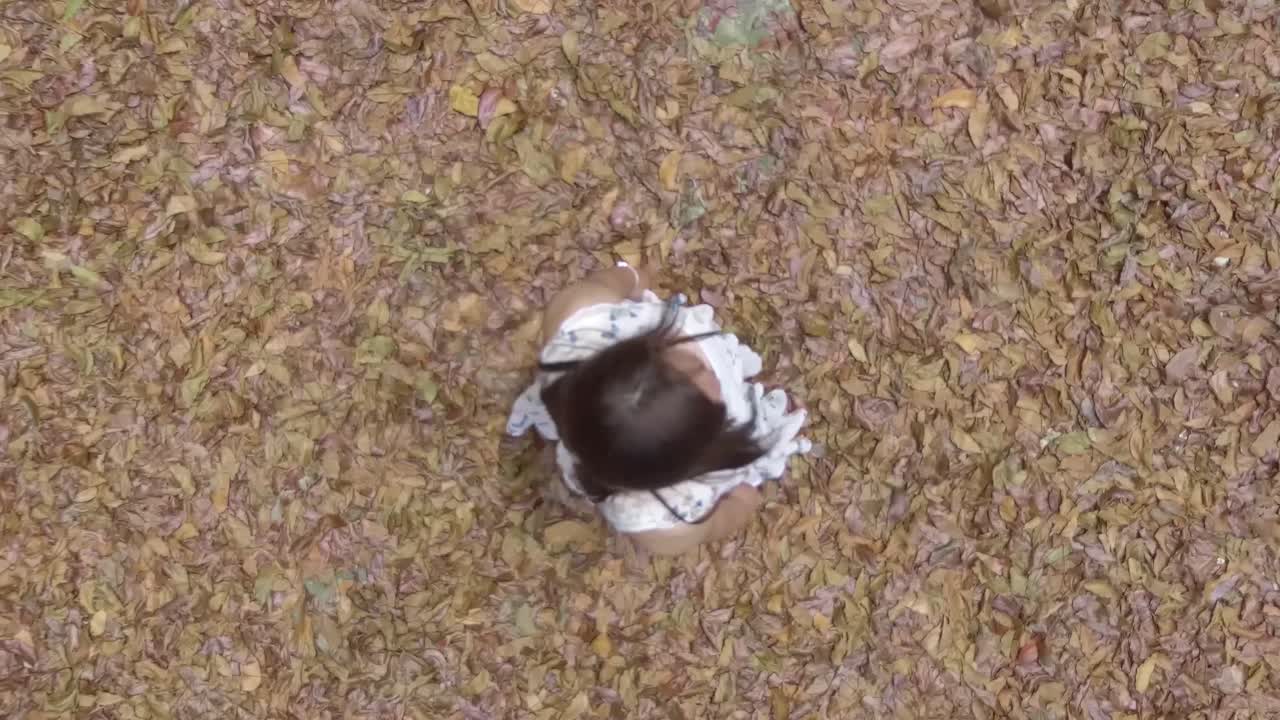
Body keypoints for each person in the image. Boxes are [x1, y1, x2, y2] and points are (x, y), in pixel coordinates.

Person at [507, 262, 810, 555]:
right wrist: (744, 496)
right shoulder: (666, 520)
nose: (709, 372)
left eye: (690, 364)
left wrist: (634, 277)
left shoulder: (579, 323)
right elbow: (723, 519)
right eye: (709, 393)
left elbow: (612, 280)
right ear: (699, 456)